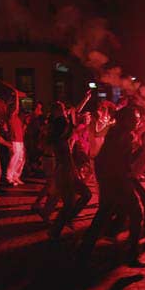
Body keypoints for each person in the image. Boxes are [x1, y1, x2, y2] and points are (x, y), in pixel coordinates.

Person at [77, 106, 145, 267]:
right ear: (127, 120)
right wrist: (141, 151)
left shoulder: (116, 132)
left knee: (103, 215)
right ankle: (132, 255)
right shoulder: (124, 135)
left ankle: (83, 251)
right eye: (135, 119)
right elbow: (120, 161)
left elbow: (112, 159)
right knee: (136, 214)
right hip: (118, 181)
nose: (138, 121)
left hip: (111, 180)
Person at [45, 101, 92, 239]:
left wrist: (83, 102)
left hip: (69, 171)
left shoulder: (61, 134)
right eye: (62, 109)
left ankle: (64, 222)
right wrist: (71, 118)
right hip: (64, 173)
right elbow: (71, 126)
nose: (64, 111)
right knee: (70, 202)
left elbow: (72, 118)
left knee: (86, 195)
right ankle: (55, 231)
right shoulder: (59, 136)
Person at [6, 105, 26, 186]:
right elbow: (16, 108)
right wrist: (16, 95)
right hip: (14, 141)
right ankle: (9, 177)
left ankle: (16, 176)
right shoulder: (11, 117)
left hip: (20, 141)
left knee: (21, 159)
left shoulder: (18, 119)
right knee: (14, 159)